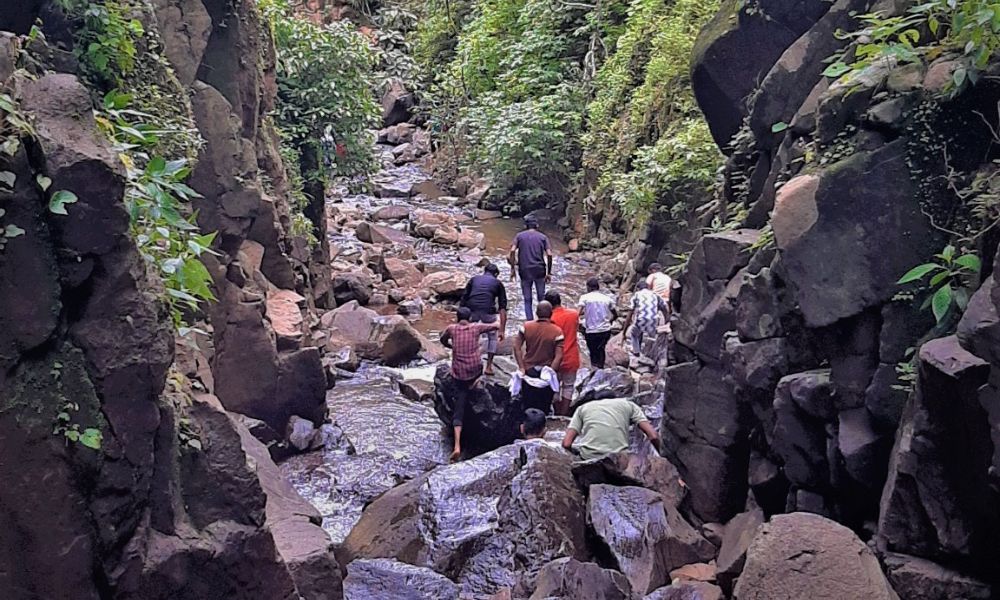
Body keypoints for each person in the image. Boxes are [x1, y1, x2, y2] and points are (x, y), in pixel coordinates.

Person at [440, 307, 500, 461]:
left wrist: (452, 347)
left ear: (457, 318)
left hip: (459, 375)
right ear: (470, 317)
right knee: (478, 362)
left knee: (459, 408)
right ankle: (476, 383)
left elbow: (442, 340)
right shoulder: (476, 328)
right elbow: (496, 326)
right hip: (474, 372)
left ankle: (457, 445)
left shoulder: (452, 329)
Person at [561, 397, 661, 461]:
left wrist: (575, 453)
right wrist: (667, 461)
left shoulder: (583, 408)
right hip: (618, 459)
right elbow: (653, 436)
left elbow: (566, 443)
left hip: (589, 457)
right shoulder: (628, 405)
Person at [512, 301, 564, 415]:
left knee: (528, 406)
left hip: (528, 371)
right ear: (551, 314)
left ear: (536, 313)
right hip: (546, 373)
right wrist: (551, 371)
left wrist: (521, 367)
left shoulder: (526, 327)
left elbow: (516, 347)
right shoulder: (557, 331)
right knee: (544, 408)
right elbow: (559, 356)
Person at [460, 263, 508, 375]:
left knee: (471, 337)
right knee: (492, 337)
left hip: (472, 312)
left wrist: (460, 322)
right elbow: (502, 308)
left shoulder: (473, 279)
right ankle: (489, 367)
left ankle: (468, 364)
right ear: (496, 274)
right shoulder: (498, 283)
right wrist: (501, 330)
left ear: (484, 271)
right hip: (488, 313)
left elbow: (463, 301)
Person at [509, 215, 553, 320]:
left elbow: (512, 250)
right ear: (537, 225)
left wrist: (512, 268)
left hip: (524, 269)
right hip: (539, 269)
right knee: (541, 297)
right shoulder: (543, 237)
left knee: (527, 299)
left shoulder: (519, 236)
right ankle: (543, 320)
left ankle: (529, 321)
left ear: (525, 226)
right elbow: (549, 254)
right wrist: (549, 272)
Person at [545, 291, 580, 416]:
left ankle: (556, 413)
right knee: (568, 387)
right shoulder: (574, 315)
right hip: (572, 357)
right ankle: (564, 415)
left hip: (554, 360)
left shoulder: (549, 320)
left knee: (554, 387)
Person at [577, 278, 618, 369]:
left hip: (591, 331)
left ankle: (594, 370)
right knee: (601, 349)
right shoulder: (607, 298)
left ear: (589, 287)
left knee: (593, 351)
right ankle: (601, 368)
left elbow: (577, 314)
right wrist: (610, 320)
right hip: (605, 330)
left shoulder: (585, 298)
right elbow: (615, 314)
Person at [623, 280, 669, 357]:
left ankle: (636, 352)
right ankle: (651, 355)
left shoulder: (636, 295)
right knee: (652, 337)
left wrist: (624, 330)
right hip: (654, 319)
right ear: (648, 287)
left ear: (638, 289)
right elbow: (664, 307)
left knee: (634, 334)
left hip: (641, 319)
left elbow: (630, 313)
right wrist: (667, 320)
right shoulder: (655, 294)